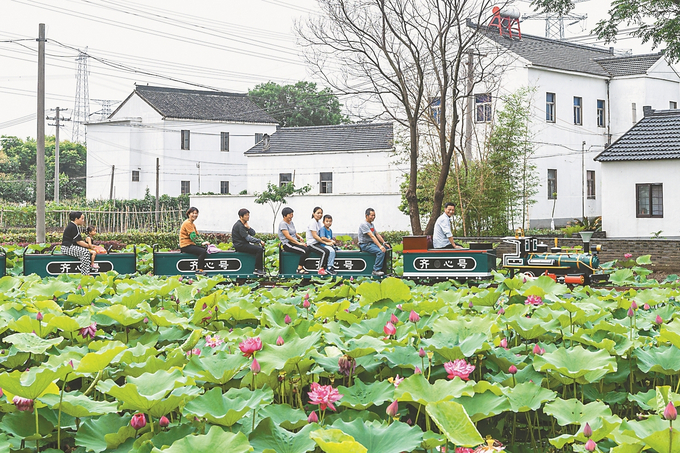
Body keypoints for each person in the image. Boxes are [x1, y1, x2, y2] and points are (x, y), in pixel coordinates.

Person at [231, 208, 266, 276]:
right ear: (241, 217)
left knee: (258, 248)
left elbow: (253, 233)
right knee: (259, 250)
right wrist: (259, 241)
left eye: (248, 215)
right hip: (240, 245)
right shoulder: (239, 225)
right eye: (246, 215)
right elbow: (248, 238)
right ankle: (257, 269)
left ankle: (259, 268)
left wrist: (248, 227)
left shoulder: (243, 224)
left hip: (243, 244)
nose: (248, 216)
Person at [278, 207, 311, 274]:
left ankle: (305, 266)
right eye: (290, 215)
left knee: (308, 248)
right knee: (304, 251)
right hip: (288, 244)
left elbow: (293, 232)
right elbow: (288, 236)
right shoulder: (283, 224)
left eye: (292, 214)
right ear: (285, 215)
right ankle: (299, 269)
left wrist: (299, 237)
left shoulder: (291, 222)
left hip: (293, 242)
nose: (291, 216)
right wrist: (299, 243)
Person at [358, 208, 390, 276]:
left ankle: (384, 269)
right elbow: (372, 236)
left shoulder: (371, 225)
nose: (373, 217)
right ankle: (376, 270)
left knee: (386, 249)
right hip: (365, 245)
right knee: (380, 251)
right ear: (366, 215)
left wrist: (384, 243)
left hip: (371, 244)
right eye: (372, 215)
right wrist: (380, 246)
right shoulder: (364, 224)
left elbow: (377, 234)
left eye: (374, 215)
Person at [306, 207, 336, 276]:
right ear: (313, 214)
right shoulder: (312, 222)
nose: (320, 214)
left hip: (317, 243)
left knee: (328, 249)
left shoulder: (318, 223)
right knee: (325, 251)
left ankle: (328, 267)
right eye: (318, 213)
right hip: (312, 244)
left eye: (321, 213)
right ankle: (321, 269)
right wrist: (326, 242)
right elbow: (315, 236)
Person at [179, 207, 209, 275]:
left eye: (196, 213)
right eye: (193, 213)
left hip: (190, 244)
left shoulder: (192, 224)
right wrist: (201, 243)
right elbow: (193, 237)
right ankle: (199, 270)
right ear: (189, 214)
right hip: (185, 245)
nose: (194, 215)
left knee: (204, 248)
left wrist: (203, 242)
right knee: (202, 251)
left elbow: (197, 236)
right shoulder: (188, 223)